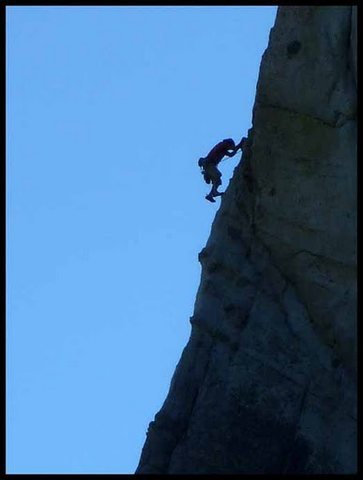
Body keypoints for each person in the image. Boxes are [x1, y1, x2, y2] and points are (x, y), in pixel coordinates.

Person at [198, 137, 247, 202]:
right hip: (209, 165)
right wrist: (240, 145)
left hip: (209, 165)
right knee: (218, 175)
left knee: (217, 180)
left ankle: (211, 194)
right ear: (229, 144)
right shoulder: (222, 147)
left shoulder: (222, 147)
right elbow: (231, 153)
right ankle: (213, 193)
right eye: (231, 146)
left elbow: (231, 153)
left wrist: (239, 145)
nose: (231, 148)